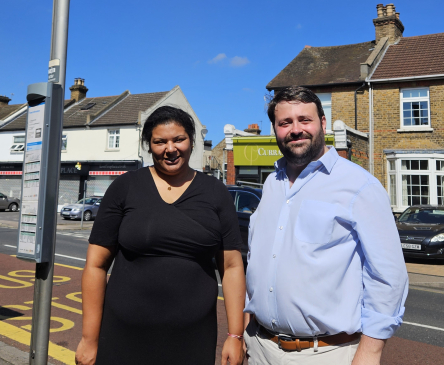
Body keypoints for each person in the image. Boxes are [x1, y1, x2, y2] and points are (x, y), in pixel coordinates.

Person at [244, 86, 408, 364]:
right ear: (274, 128)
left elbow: (388, 277)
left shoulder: (360, 186)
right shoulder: (272, 183)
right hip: (260, 347)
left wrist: (370, 352)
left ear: (322, 122)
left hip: (325, 353)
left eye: (304, 120)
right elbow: (259, 263)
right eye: (285, 123)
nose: (295, 129)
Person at [75, 106, 246, 365]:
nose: (170, 148)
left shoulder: (215, 192)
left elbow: (232, 267)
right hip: (123, 335)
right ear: (149, 145)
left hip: (192, 339)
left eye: (179, 139)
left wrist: (235, 335)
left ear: (192, 141)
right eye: (160, 141)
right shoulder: (125, 187)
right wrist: (89, 338)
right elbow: (96, 266)